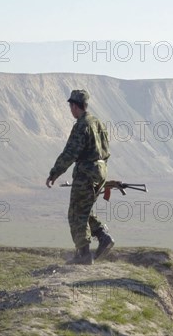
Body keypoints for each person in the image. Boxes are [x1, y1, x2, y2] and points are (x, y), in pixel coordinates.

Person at [46, 89, 114, 265]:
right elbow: (106, 151)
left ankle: (83, 254)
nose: (71, 110)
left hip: (86, 174)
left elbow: (70, 153)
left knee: (76, 213)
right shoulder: (98, 123)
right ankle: (103, 236)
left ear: (75, 106)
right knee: (85, 209)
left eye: (71, 106)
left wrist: (54, 173)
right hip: (100, 172)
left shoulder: (81, 125)